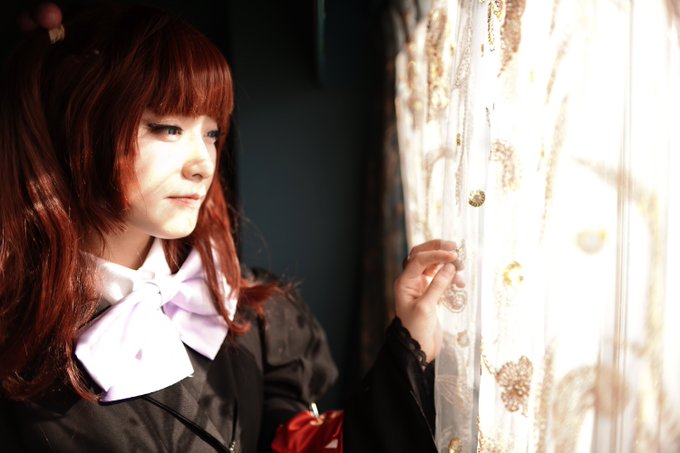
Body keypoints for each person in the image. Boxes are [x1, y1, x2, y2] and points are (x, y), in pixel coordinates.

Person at [0, 3, 463, 452]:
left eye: (211, 133)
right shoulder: (15, 345)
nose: (203, 164)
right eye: (168, 128)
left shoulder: (246, 310)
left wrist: (412, 341)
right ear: (78, 131)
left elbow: (296, 444)